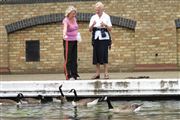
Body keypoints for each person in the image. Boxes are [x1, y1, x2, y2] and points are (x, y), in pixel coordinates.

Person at [89, 2, 112, 79]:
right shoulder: (93, 17)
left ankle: (106, 73)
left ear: (102, 9)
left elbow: (110, 29)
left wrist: (105, 25)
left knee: (104, 55)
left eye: (98, 9)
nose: (97, 11)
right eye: (96, 10)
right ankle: (97, 73)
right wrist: (93, 24)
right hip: (96, 38)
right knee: (96, 55)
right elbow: (89, 29)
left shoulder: (107, 16)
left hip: (104, 38)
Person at [62, 6, 80, 80]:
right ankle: (68, 75)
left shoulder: (74, 19)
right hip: (67, 41)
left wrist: (78, 35)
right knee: (68, 58)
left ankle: (74, 74)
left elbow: (76, 28)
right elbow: (65, 28)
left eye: (75, 13)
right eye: (73, 13)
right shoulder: (65, 20)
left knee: (74, 58)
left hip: (74, 40)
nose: (74, 15)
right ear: (68, 13)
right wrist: (64, 34)